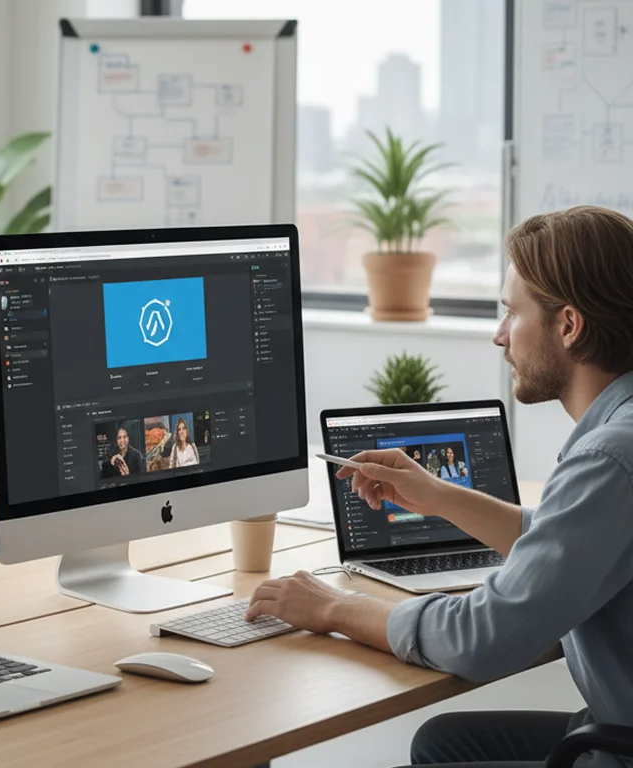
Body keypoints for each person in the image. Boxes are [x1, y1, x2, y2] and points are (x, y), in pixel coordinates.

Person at [245, 206, 633, 768]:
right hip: (614, 724)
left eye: (511, 314)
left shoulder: (610, 457)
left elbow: (484, 635)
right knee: (442, 741)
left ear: (569, 326)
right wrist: (436, 495)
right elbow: (571, 544)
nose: (500, 337)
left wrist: (336, 608)